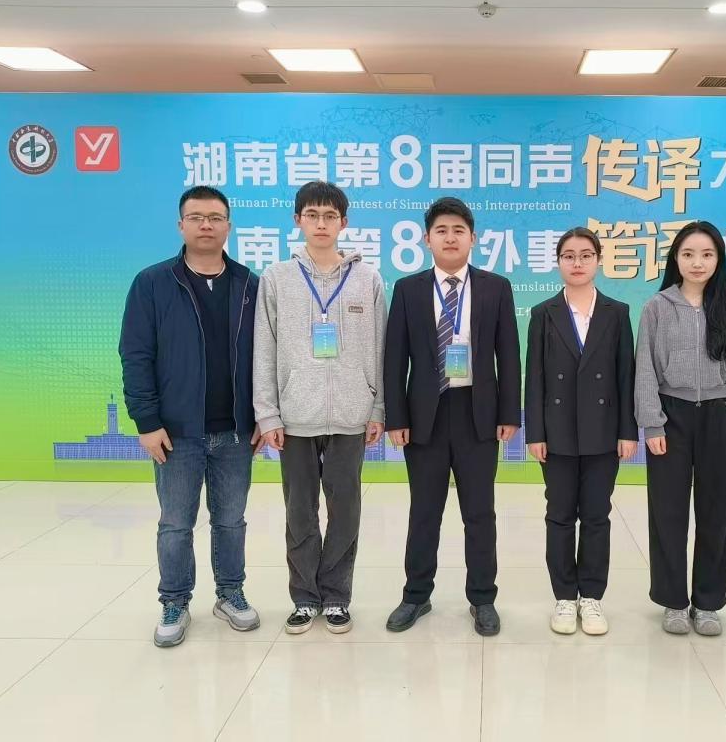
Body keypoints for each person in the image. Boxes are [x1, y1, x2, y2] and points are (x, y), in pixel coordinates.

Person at [120, 185, 262, 648]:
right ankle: (175, 601)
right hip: (176, 432)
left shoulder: (249, 284)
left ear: (228, 226)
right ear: (181, 225)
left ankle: (230, 593)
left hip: (235, 430)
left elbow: (267, 356)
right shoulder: (153, 283)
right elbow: (135, 355)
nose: (206, 225)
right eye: (197, 217)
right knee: (176, 523)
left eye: (215, 218)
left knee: (231, 521)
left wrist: (263, 416)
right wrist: (146, 421)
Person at [383, 197, 521, 637]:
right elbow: (395, 358)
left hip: (478, 414)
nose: (450, 237)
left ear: (472, 238)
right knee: (424, 511)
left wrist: (509, 412)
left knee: (479, 512)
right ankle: (415, 595)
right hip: (424, 415)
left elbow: (508, 354)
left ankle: (482, 598)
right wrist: (396, 417)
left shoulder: (496, 287)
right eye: (441, 230)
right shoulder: (408, 289)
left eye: (458, 230)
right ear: (427, 239)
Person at [253, 181, 386, 636]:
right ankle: (304, 598)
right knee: (299, 512)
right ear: (298, 220)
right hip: (295, 416)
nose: (322, 223)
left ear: (343, 222)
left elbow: (380, 348)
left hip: (352, 415)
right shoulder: (276, 278)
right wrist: (268, 415)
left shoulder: (368, 279)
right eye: (313, 215)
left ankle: (336, 596)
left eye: (330, 216)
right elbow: (264, 350)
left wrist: (378, 408)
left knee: (345, 510)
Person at [635, 220, 726, 637]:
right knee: (668, 513)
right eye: (688, 254)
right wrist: (652, 423)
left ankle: (708, 603)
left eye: (707, 254)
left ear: (718, 259)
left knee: (716, 513)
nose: (697, 262)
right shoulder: (657, 307)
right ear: (676, 258)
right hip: (670, 417)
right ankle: (673, 601)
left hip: (719, 415)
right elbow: (644, 369)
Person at [525, 227, 638, 635]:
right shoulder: (543, 313)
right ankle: (563, 597)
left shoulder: (617, 312)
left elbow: (626, 375)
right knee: (559, 515)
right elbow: (534, 377)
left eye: (586, 255)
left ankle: (591, 597)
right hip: (555, 435)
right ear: (558, 262)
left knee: (596, 516)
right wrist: (535, 433)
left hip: (604, 433)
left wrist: (628, 431)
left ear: (599, 261)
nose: (577, 263)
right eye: (569, 256)